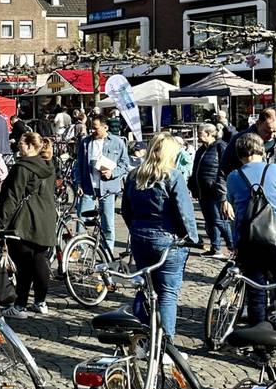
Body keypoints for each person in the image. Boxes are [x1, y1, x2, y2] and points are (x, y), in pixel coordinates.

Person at [121, 132, 199, 343]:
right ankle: (165, 344)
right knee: (167, 293)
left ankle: (139, 338)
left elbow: (126, 210)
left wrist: (136, 228)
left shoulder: (134, 176)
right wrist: (192, 237)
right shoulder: (172, 176)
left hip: (140, 236)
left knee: (146, 289)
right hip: (167, 239)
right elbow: (184, 211)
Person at [226, 132, 276, 325]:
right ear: (262, 149)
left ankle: (261, 346)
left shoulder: (234, 177)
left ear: (239, 153)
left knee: (256, 294)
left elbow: (238, 213)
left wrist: (235, 243)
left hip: (250, 242)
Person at [0, 133, 57, 317]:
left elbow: (12, 197)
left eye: (21, 143)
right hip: (46, 218)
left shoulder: (23, 167)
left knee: (24, 265)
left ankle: (20, 305)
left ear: (29, 146)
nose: (17, 146)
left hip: (25, 221)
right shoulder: (48, 165)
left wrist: (0, 222)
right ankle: (40, 302)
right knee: (39, 261)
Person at [219, 108, 276, 218]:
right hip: (248, 210)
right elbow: (223, 170)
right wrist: (224, 199)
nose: (272, 135)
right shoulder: (240, 140)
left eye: (275, 131)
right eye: (267, 131)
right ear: (258, 124)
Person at [73, 112, 131, 252]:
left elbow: (124, 164)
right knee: (82, 219)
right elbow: (79, 164)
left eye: (96, 128)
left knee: (108, 222)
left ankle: (107, 251)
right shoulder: (86, 142)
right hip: (88, 187)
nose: (93, 130)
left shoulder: (117, 142)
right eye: (92, 127)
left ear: (105, 128)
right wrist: (78, 183)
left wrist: (113, 173)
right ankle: (79, 249)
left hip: (108, 188)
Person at [189, 123, 233, 257]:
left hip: (215, 191)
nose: (198, 135)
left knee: (219, 221)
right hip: (202, 191)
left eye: (200, 133)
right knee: (210, 221)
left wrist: (223, 190)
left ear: (209, 134)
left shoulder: (221, 146)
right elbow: (195, 169)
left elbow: (227, 169)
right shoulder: (201, 150)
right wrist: (193, 186)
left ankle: (233, 246)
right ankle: (216, 248)